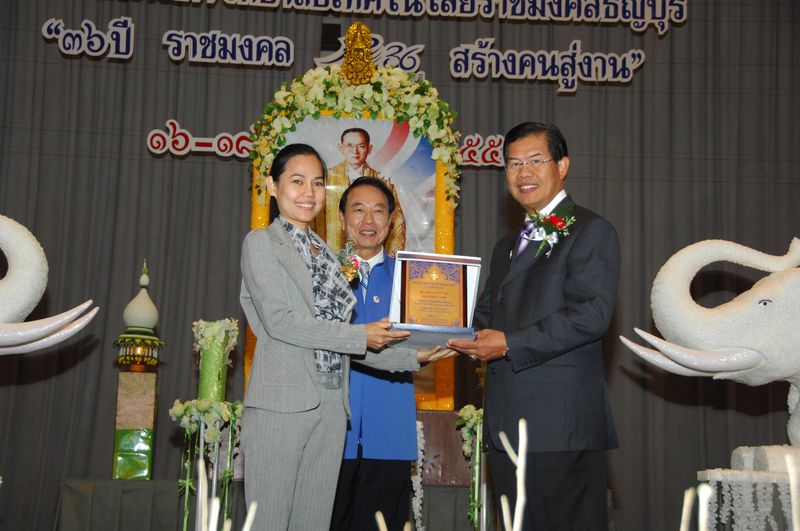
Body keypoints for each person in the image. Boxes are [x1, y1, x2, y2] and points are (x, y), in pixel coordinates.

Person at [240, 144, 452, 531]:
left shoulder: (325, 253)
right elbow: (281, 322)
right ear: (272, 186)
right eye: (297, 181)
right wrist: (359, 335)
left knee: (312, 525)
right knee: (269, 522)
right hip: (282, 408)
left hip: (331, 412)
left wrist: (414, 357)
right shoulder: (262, 243)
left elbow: (343, 342)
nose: (308, 192)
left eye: (317, 183)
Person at [448, 122, 620, 531]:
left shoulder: (590, 230)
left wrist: (509, 343)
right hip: (508, 428)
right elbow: (483, 318)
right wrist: (433, 333)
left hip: (560, 429)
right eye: (513, 164)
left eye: (535, 160)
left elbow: (591, 314)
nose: (523, 172)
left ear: (562, 166)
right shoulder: (507, 245)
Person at [330, 177, 416, 531]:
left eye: (378, 210)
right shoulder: (323, 278)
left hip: (390, 435)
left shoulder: (411, 279)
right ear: (341, 218)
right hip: (331, 436)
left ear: (391, 220)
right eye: (358, 209)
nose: (368, 220)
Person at [317, 128, 406, 255]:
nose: (355, 151)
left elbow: (397, 225)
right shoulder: (325, 180)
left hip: (373, 259)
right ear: (341, 148)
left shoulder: (384, 182)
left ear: (369, 149)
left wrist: (390, 261)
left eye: (361, 146)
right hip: (331, 257)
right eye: (349, 146)